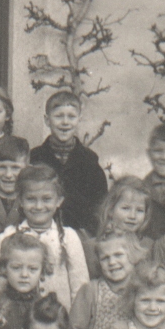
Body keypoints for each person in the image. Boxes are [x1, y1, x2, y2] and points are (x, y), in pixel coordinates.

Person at [0, 165, 89, 311]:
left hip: (59, 323)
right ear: (21, 201)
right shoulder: (8, 236)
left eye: (46, 199)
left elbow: (80, 287)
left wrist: (75, 327)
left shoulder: (69, 237)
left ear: (59, 200)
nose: (38, 206)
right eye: (31, 199)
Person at [28, 90, 107, 236]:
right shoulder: (35, 158)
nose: (65, 122)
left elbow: (100, 204)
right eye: (58, 116)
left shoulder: (89, 161)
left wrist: (87, 233)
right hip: (40, 232)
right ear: (47, 120)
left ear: (79, 119)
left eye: (71, 116)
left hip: (80, 235)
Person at [0, 232, 49, 329]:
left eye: (32, 269)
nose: (24, 274)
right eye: (16, 268)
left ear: (42, 271)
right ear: (4, 267)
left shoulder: (45, 307)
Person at [97, 176, 155, 252]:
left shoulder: (149, 246)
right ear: (110, 210)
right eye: (126, 208)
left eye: (139, 210)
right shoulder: (95, 246)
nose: (132, 216)